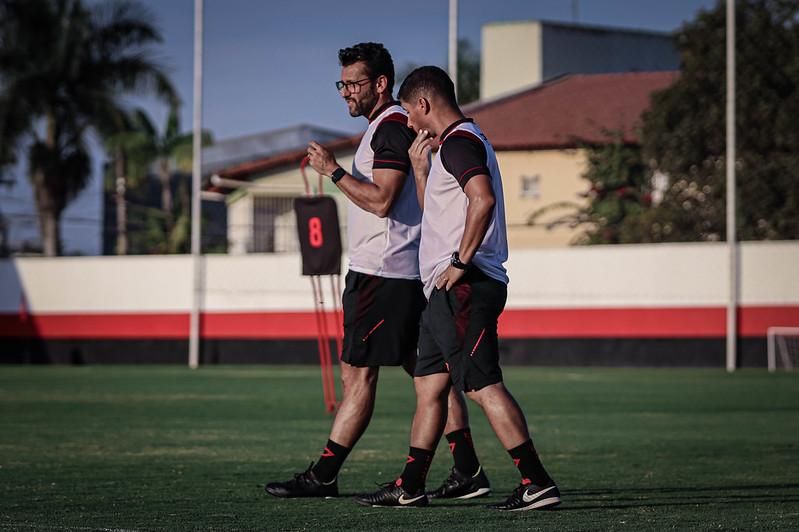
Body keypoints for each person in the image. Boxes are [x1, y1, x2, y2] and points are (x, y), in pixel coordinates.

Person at [265, 44, 490, 501]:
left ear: (381, 84)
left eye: (354, 83)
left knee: (358, 375)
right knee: (428, 377)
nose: (345, 92)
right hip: (397, 274)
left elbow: (383, 200)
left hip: (383, 275)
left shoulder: (389, 128)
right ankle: (467, 469)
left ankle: (324, 474)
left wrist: (333, 172)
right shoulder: (383, 129)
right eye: (342, 83)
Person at [354, 66, 561, 511]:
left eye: (409, 111)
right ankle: (410, 484)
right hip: (441, 292)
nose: (408, 122)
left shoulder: (460, 141)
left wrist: (460, 262)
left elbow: (481, 199)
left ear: (424, 105)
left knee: (482, 385)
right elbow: (442, 212)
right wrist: (420, 170)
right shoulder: (448, 147)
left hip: (465, 286)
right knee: (430, 387)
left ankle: (536, 481)